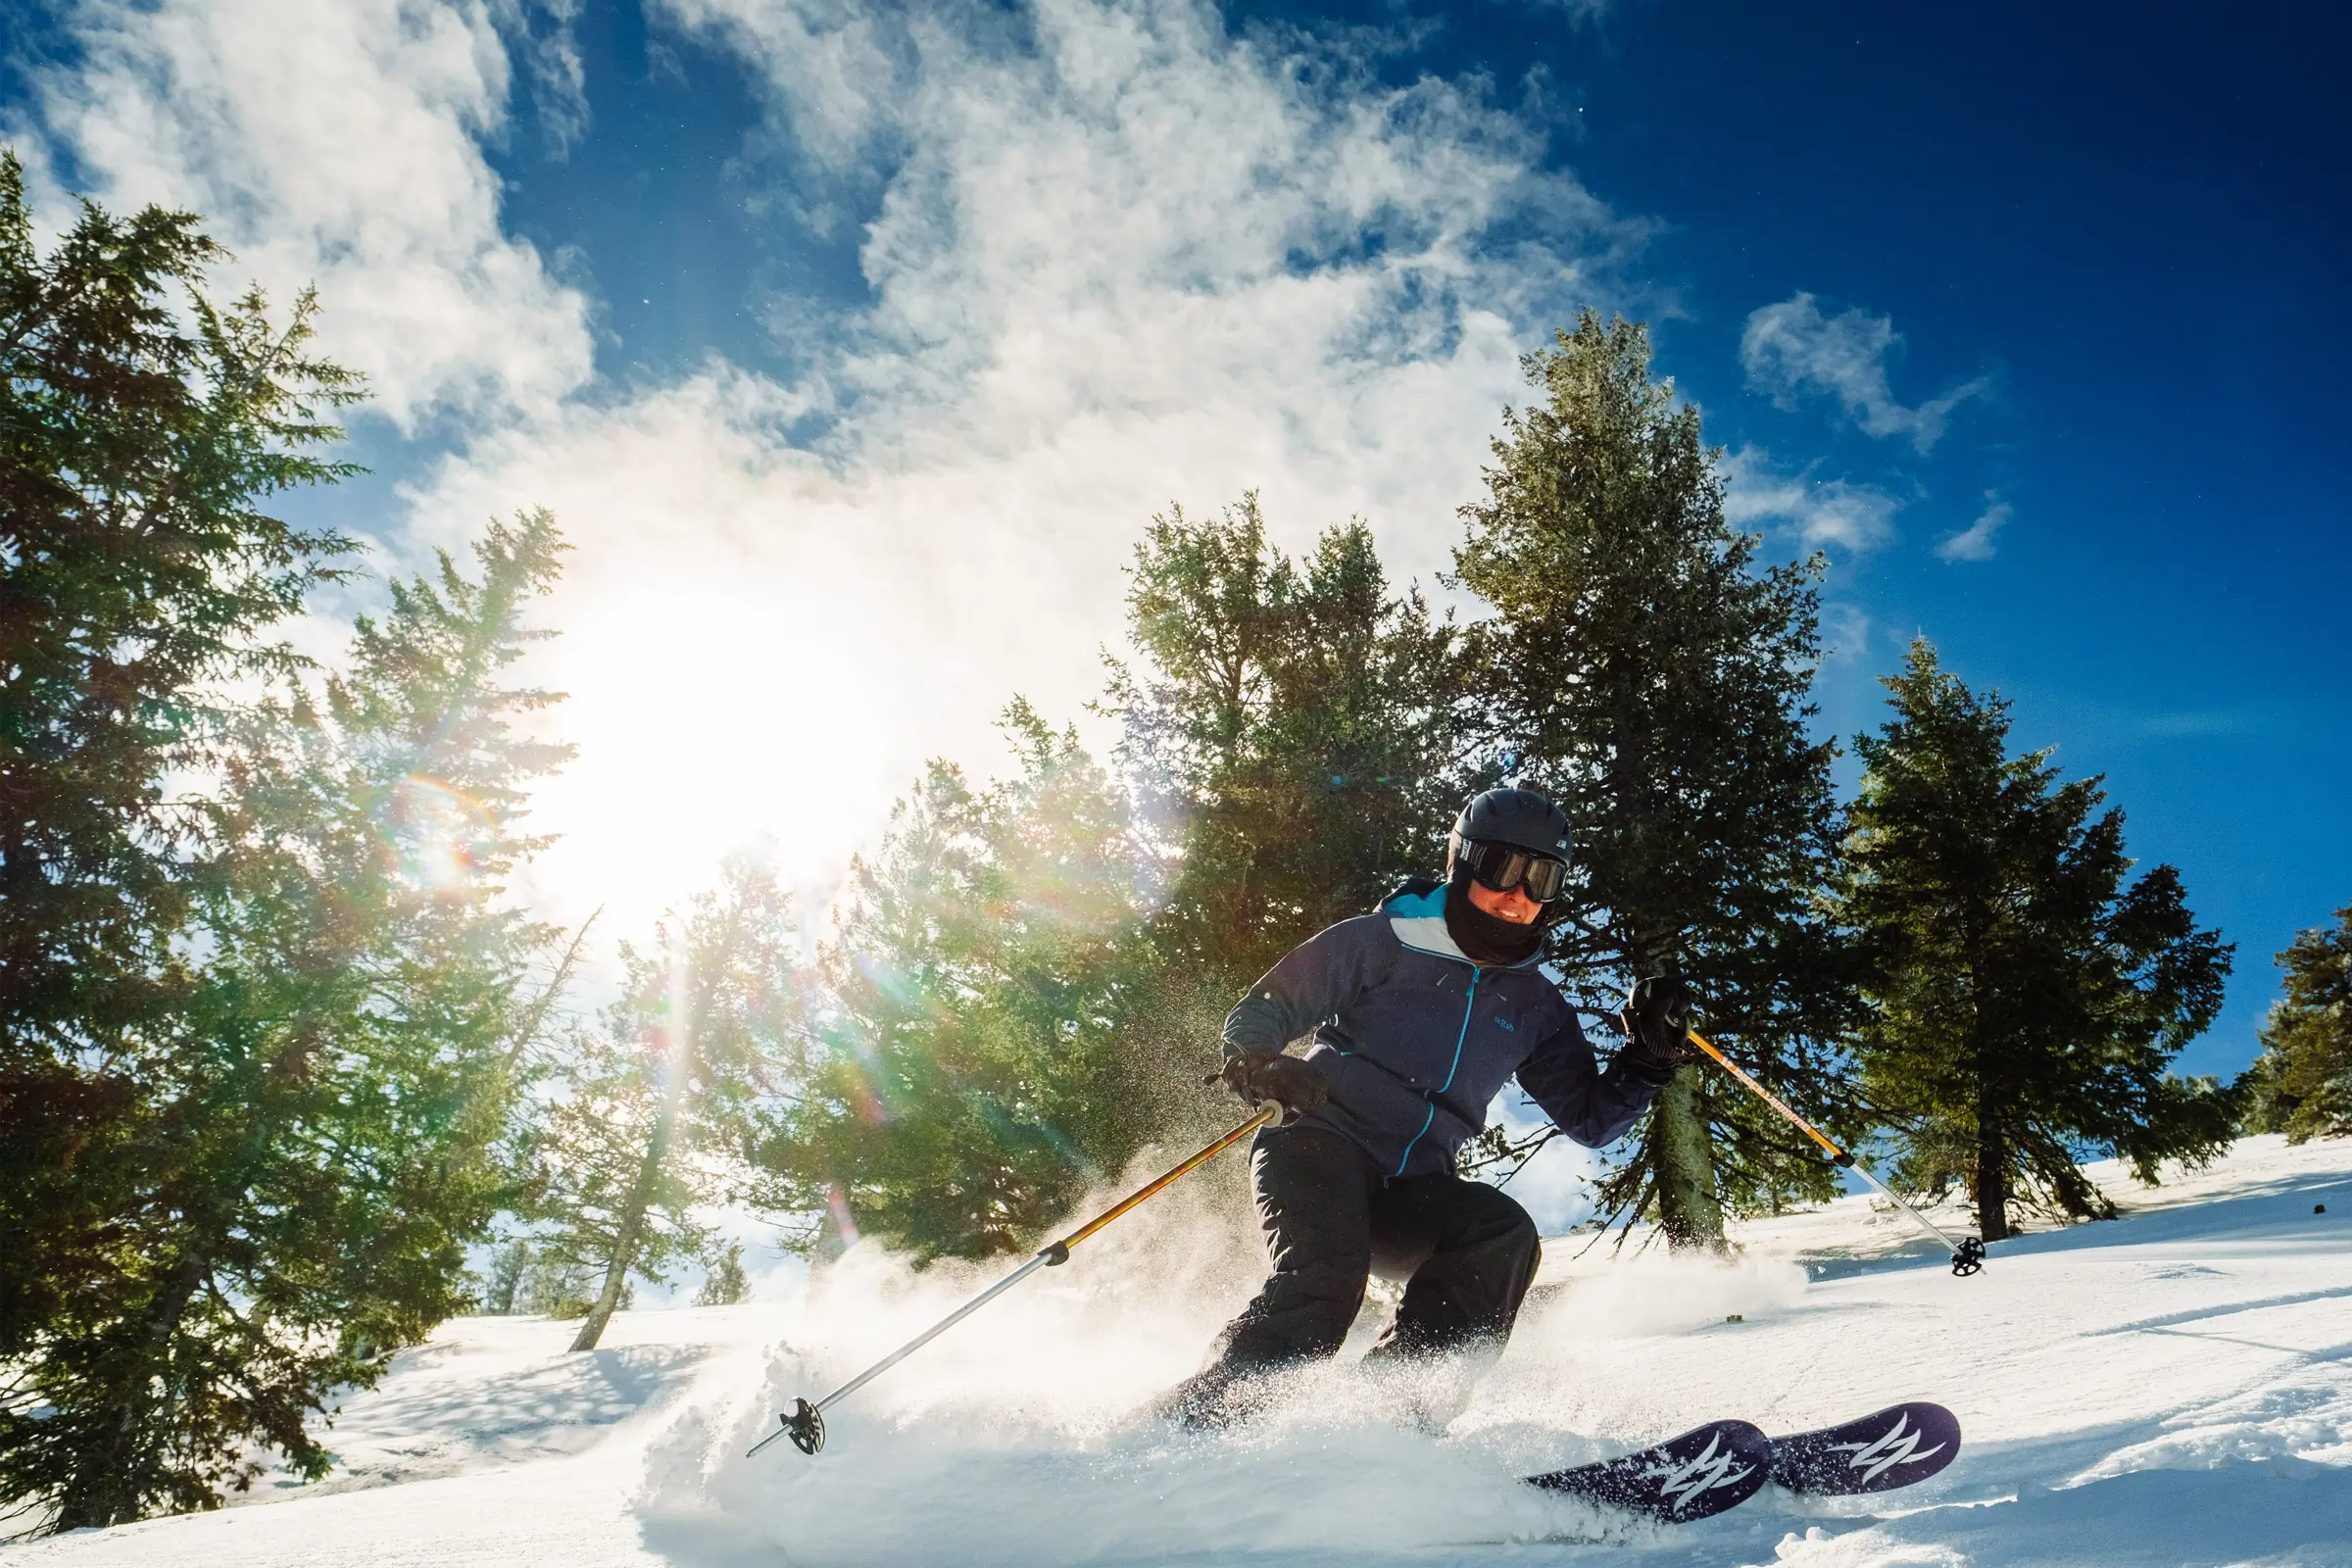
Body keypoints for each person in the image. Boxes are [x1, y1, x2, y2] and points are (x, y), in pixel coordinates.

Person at [1160, 786, 1695, 1428]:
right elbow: (1267, 1007)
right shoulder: (1385, 940)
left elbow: (1592, 1119)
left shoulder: (1535, 1007)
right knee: (1326, 1283)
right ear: (1464, 863)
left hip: (1413, 1185)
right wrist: (1261, 1063)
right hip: (1317, 1141)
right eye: (1503, 869)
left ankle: (1388, 1423)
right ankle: (1196, 1429)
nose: (1518, 894)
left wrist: (1647, 1062)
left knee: (1501, 1237)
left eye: (1541, 878)